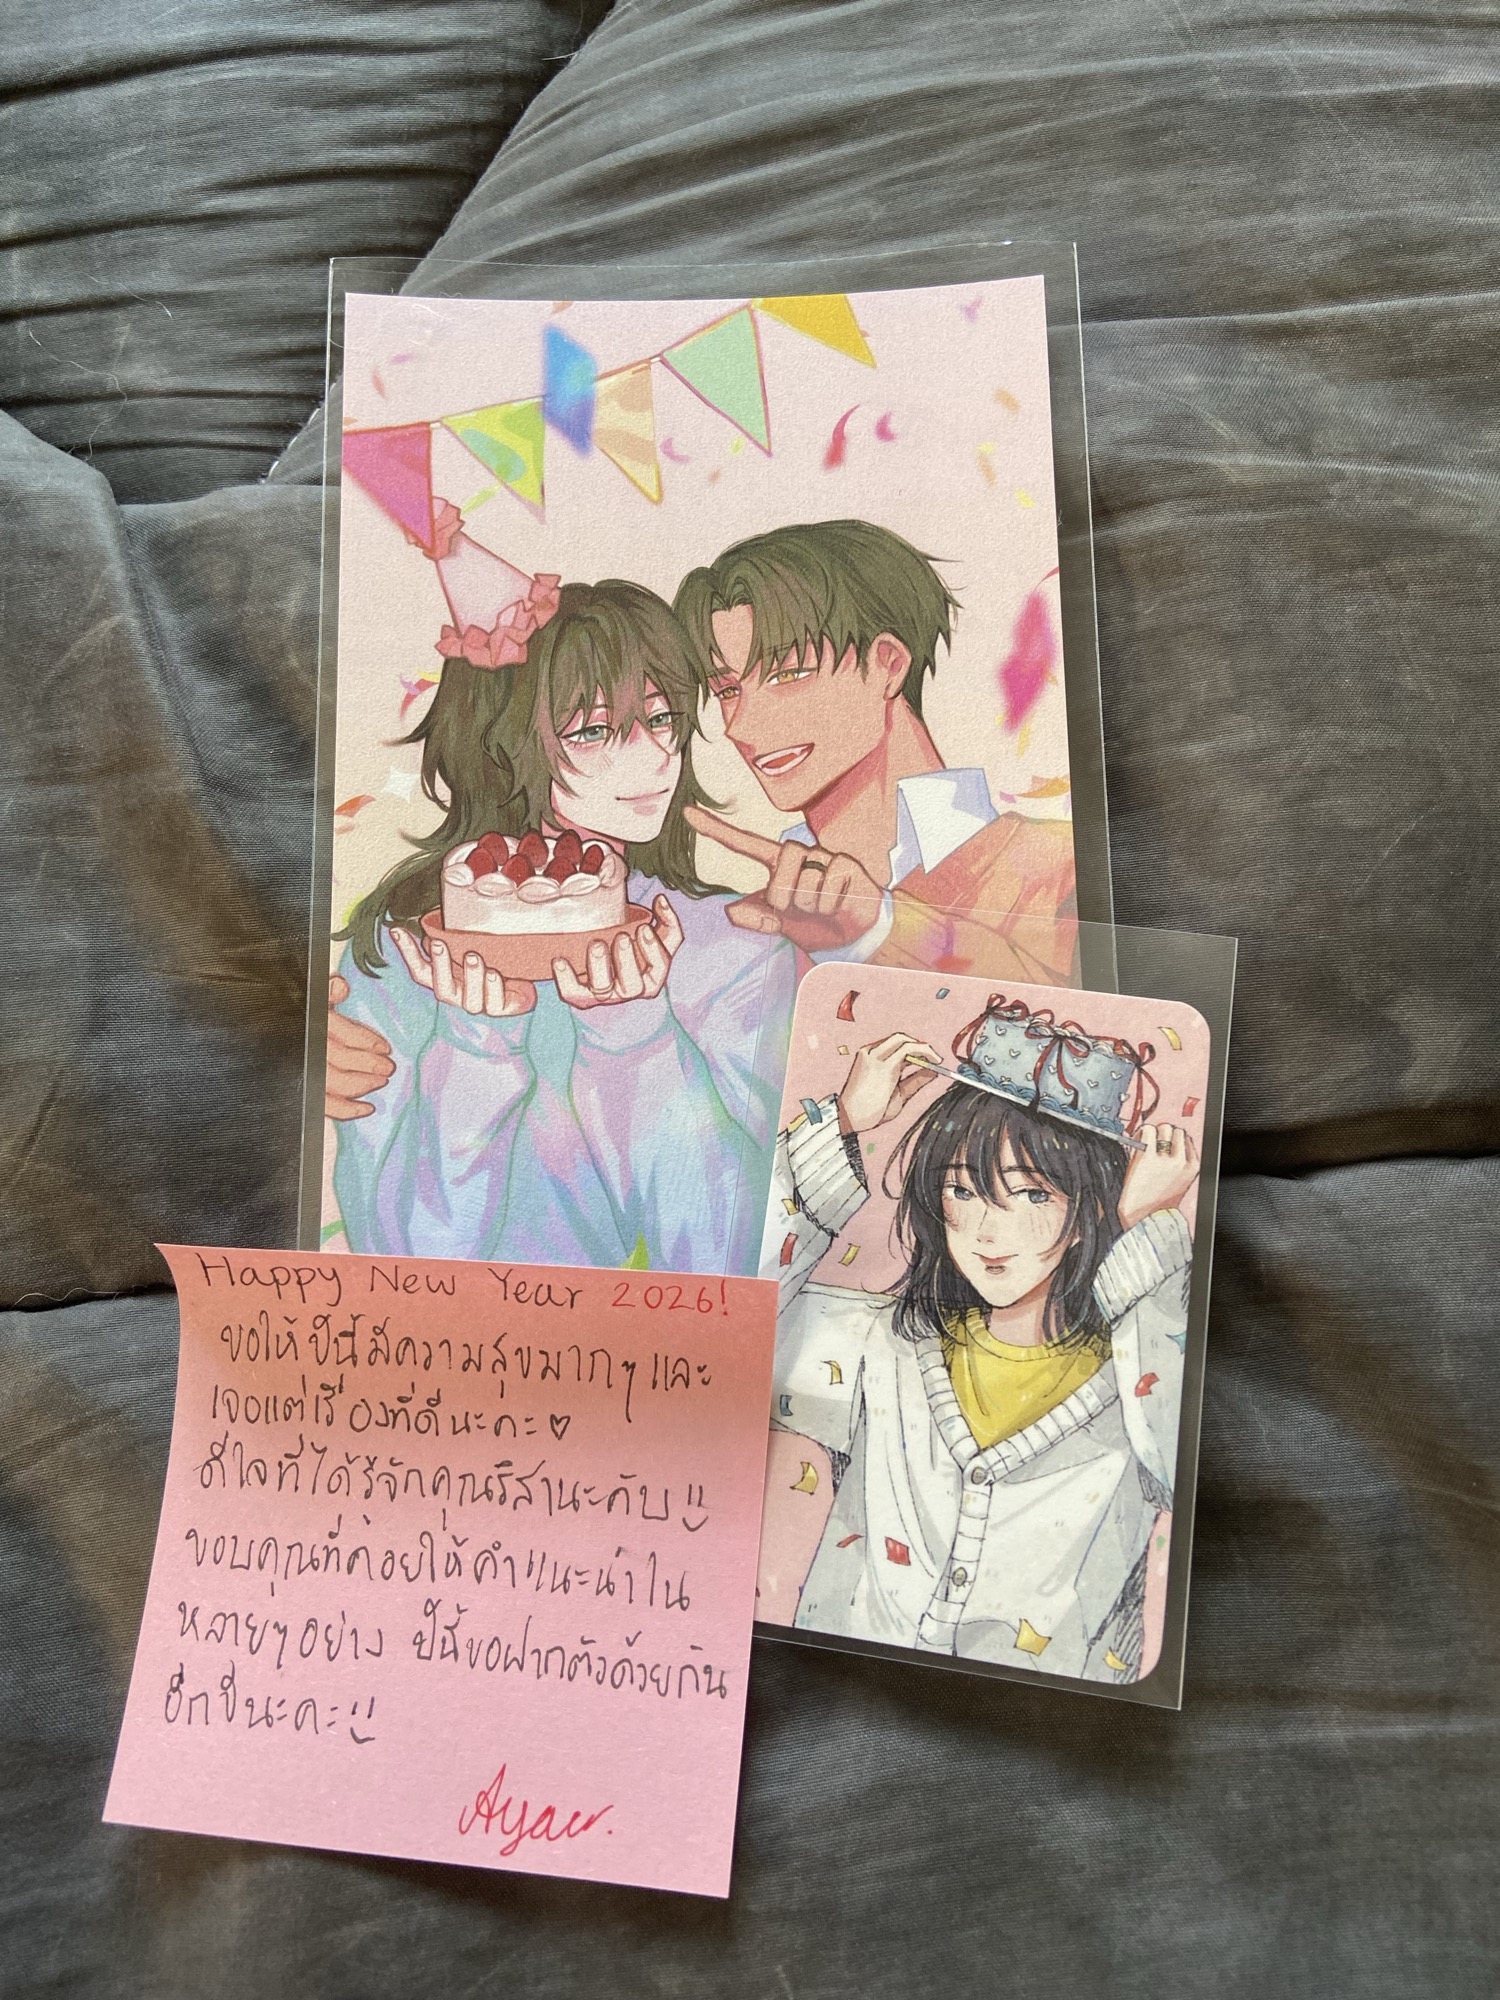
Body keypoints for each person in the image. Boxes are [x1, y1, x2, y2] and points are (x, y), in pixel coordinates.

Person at [328, 578, 794, 1273]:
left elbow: (729, 1264)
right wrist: (476, 1048)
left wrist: (637, 1042)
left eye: (663, 719)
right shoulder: (402, 955)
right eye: (594, 731)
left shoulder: (736, 950)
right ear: (501, 744)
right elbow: (403, 1260)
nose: (654, 758)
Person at [766, 994, 1198, 1682]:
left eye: (1033, 1195)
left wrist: (1147, 1230)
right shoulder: (883, 1345)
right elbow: (727, 1326)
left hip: (1040, 1723)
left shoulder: (1136, 1384)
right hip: (843, 1693)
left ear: (1090, 1208)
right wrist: (841, 1124)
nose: (989, 1231)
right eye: (963, 1191)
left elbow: (1184, 1468)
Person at [673, 520, 1078, 981]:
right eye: (727, 691)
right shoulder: (754, 929)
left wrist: (877, 929)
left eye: (787, 674)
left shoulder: (1061, 868)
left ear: (888, 665)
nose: (739, 726)